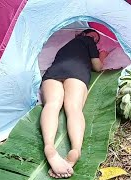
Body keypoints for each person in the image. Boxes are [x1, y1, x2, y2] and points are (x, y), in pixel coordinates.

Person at [40, 29, 109, 178]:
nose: (94, 40)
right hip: (77, 73)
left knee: (52, 104)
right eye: (95, 37)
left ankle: (49, 147)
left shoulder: (67, 44)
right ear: (88, 35)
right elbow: (97, 66)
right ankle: (76, 150)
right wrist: (102, 55)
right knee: (74, 109)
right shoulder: (88, 41)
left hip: (53, 72)